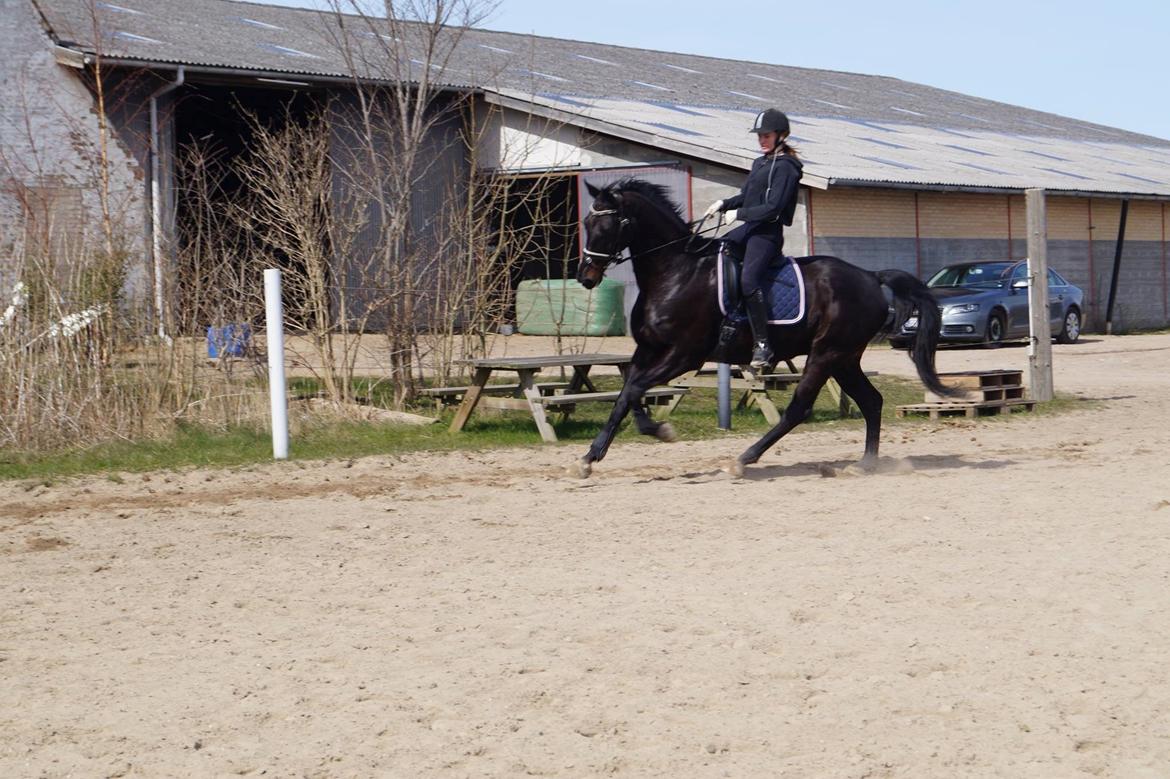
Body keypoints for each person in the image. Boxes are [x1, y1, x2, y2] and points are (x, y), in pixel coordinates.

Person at [704, 108, 803, 370]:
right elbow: (746, 196)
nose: (761, 140)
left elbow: (773, 208)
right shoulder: (760, 163)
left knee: (749, 280)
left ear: (781, 135)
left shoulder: (787, 168)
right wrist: (723, 203)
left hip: (767, 233)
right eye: (759, 136)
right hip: (749, 228)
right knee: (715, 253)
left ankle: (762, 344)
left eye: (766, 135)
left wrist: (739, 214)